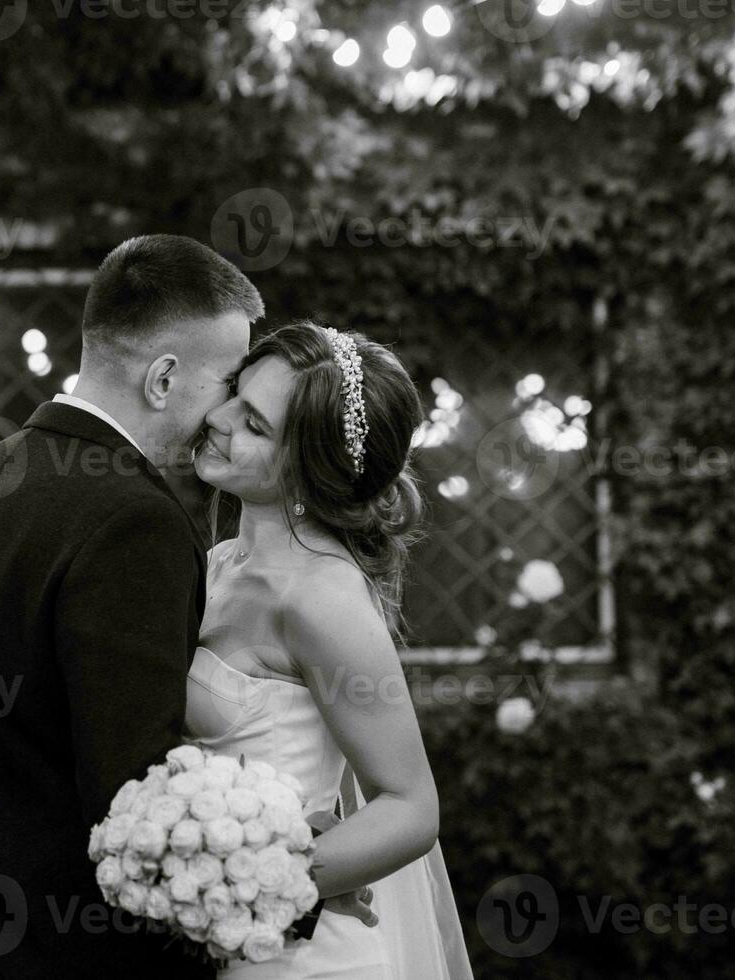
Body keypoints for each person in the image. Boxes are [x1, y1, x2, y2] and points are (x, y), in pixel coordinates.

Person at [0, 234, 262, 978]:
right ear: (163, 379)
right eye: (227, 382)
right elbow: (132, 790)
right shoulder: (136, 521)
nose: (226, 411)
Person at [188, 320, 474, 979]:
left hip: (299, 961)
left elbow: (409, 808)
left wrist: (270, 881)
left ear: (305, 472)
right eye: (235, 391)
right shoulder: (217, 562)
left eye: (256, 426)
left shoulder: (319, 599)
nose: (220, 417)